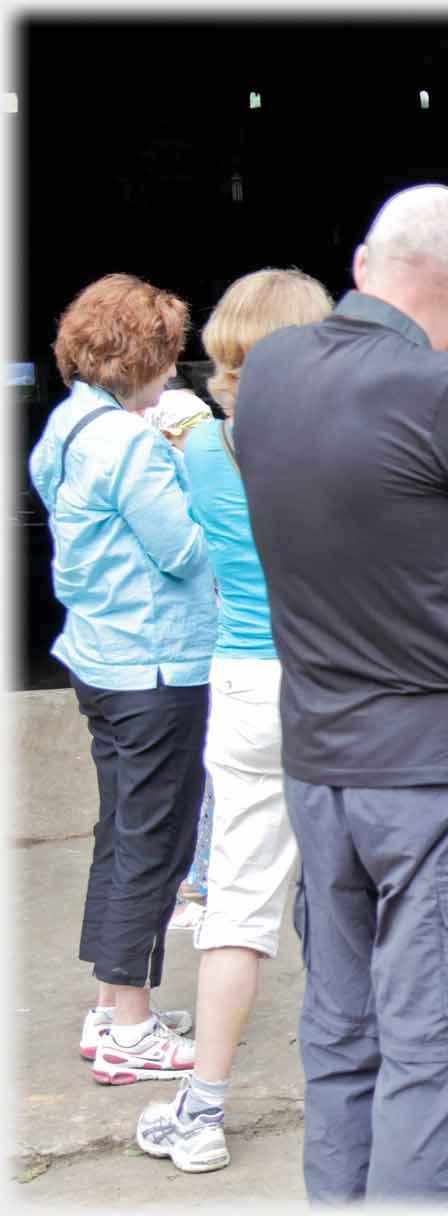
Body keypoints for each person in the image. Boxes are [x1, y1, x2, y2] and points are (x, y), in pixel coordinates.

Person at [235, 184, 448, 1200]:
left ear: (361, 265)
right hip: (436, 782)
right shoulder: (443, 396)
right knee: (446, 1057)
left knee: (345, 1044)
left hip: (325, 773)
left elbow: (386, 493)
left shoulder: (271, 372)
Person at [133, 269, 334, 1175]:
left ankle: (202, 1112)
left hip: (249, 684)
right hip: (344, 686)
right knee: (355, 899)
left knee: (238, 911)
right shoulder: (349, 445)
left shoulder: (200, 447)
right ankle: (362, 1093)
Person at [28, 274, 215, 1083]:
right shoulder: (132, 442)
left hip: (102, 657)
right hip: (155, 665)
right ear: (142, 358)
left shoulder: (68, 425)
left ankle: (111, 1007)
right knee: (156, 841)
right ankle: (132, 1029)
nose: (174, 376)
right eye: (169, 360)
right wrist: (198, 476)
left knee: (122, 830)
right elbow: (183, 550)